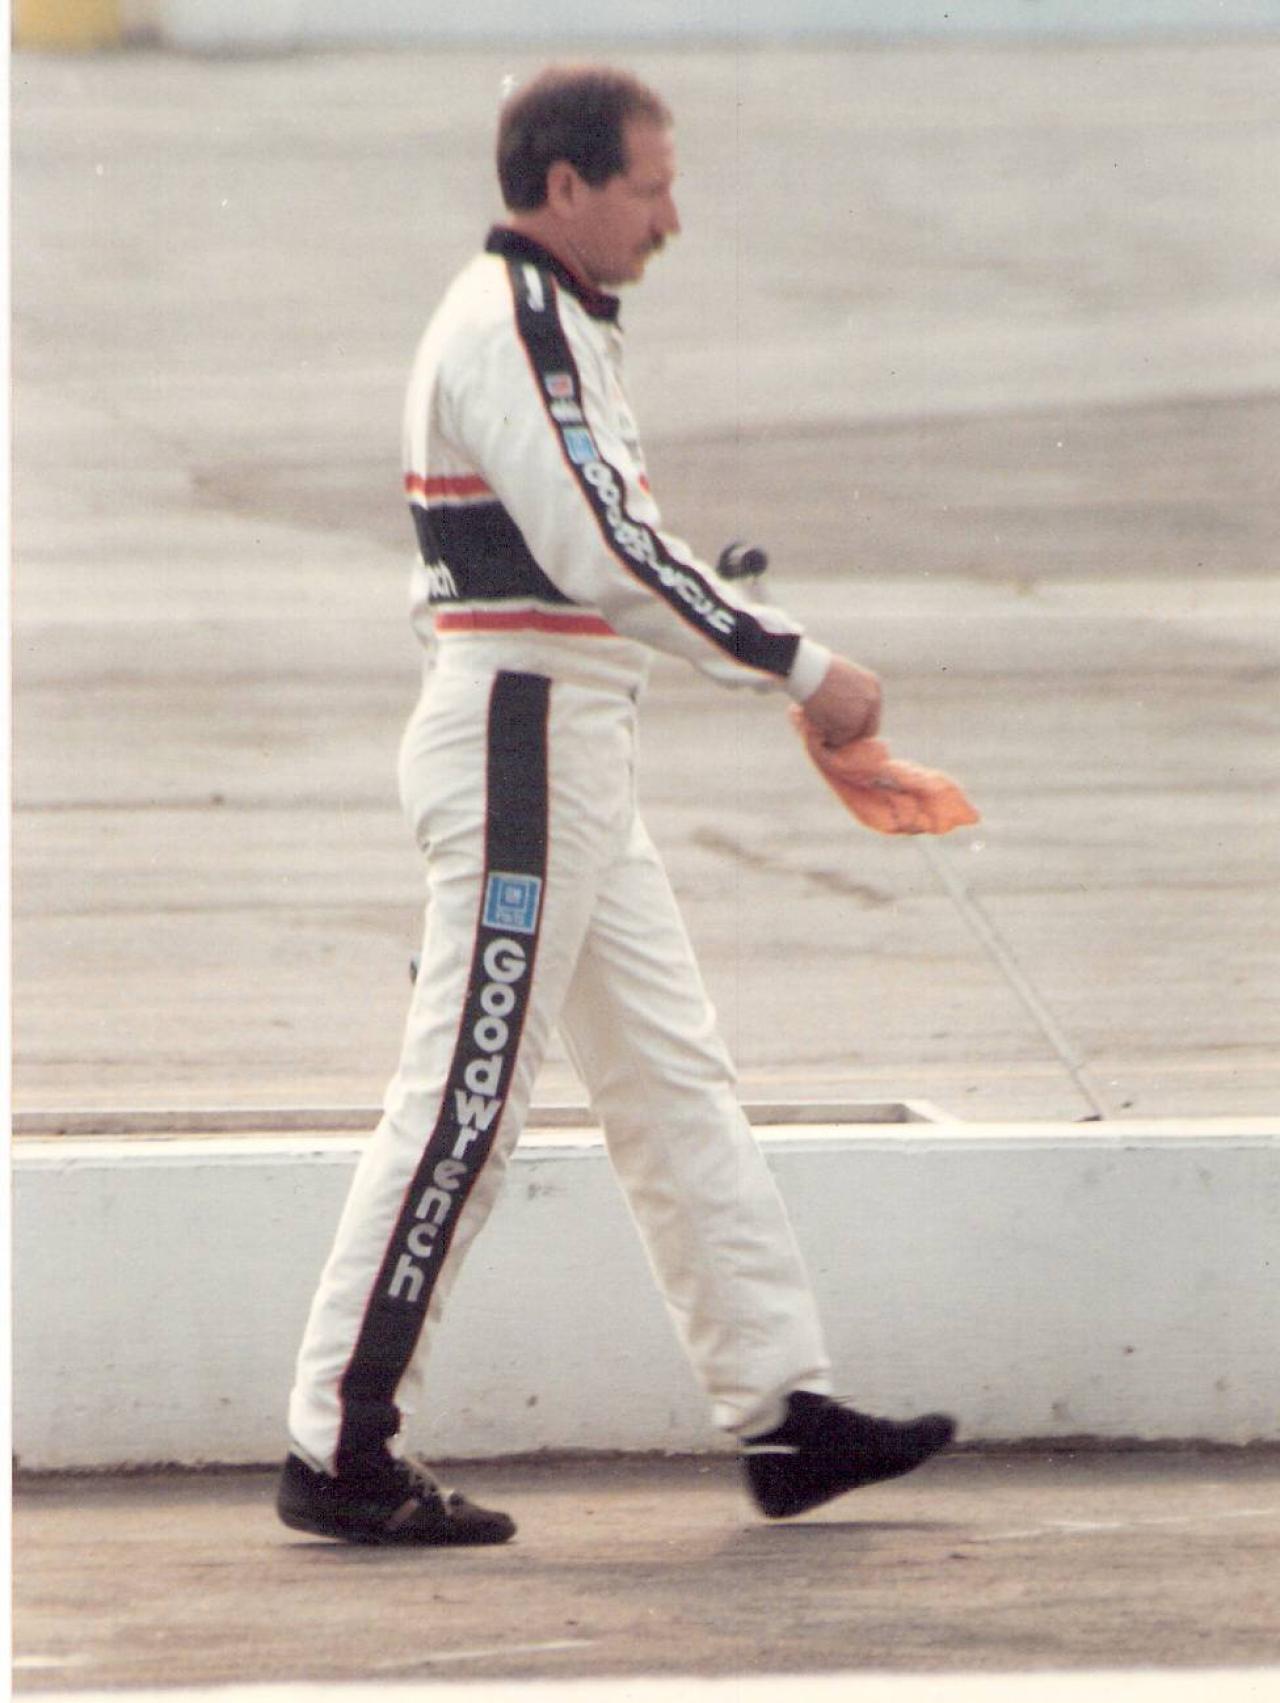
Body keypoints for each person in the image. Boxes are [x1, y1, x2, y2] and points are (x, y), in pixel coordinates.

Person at [276, 63, 954, 1547]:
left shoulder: (553, 318)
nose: (671, 219)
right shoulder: (516, 322)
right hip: (521, 742)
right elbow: (609, 552)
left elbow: (605, 553)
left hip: (561, 743)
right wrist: (804, 669)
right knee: (468, 1093)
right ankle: (338, 1445)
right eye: (651, 188)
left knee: (669, 1076)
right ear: (566, 184)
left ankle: (782, 1410)